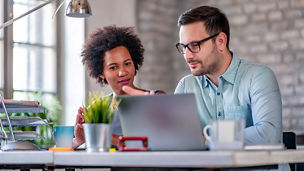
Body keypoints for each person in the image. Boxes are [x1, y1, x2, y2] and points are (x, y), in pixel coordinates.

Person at [174, 6, 282, 145]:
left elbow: (269, 134)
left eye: (195, 45)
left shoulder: (259, 77)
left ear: (221, 41)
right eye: (183, 47)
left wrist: (209, 140)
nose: (187, 55)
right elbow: (175, 138)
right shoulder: (186, 86)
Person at [73, 26, 165, 149]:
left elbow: (163, 143)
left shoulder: (157, 98)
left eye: (127, 64)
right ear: (101, 73)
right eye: (113, 67)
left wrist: (105, 136)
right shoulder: (97, 109)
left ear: (134, 63)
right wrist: (79, 140)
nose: (123, 72)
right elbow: (73, 148)